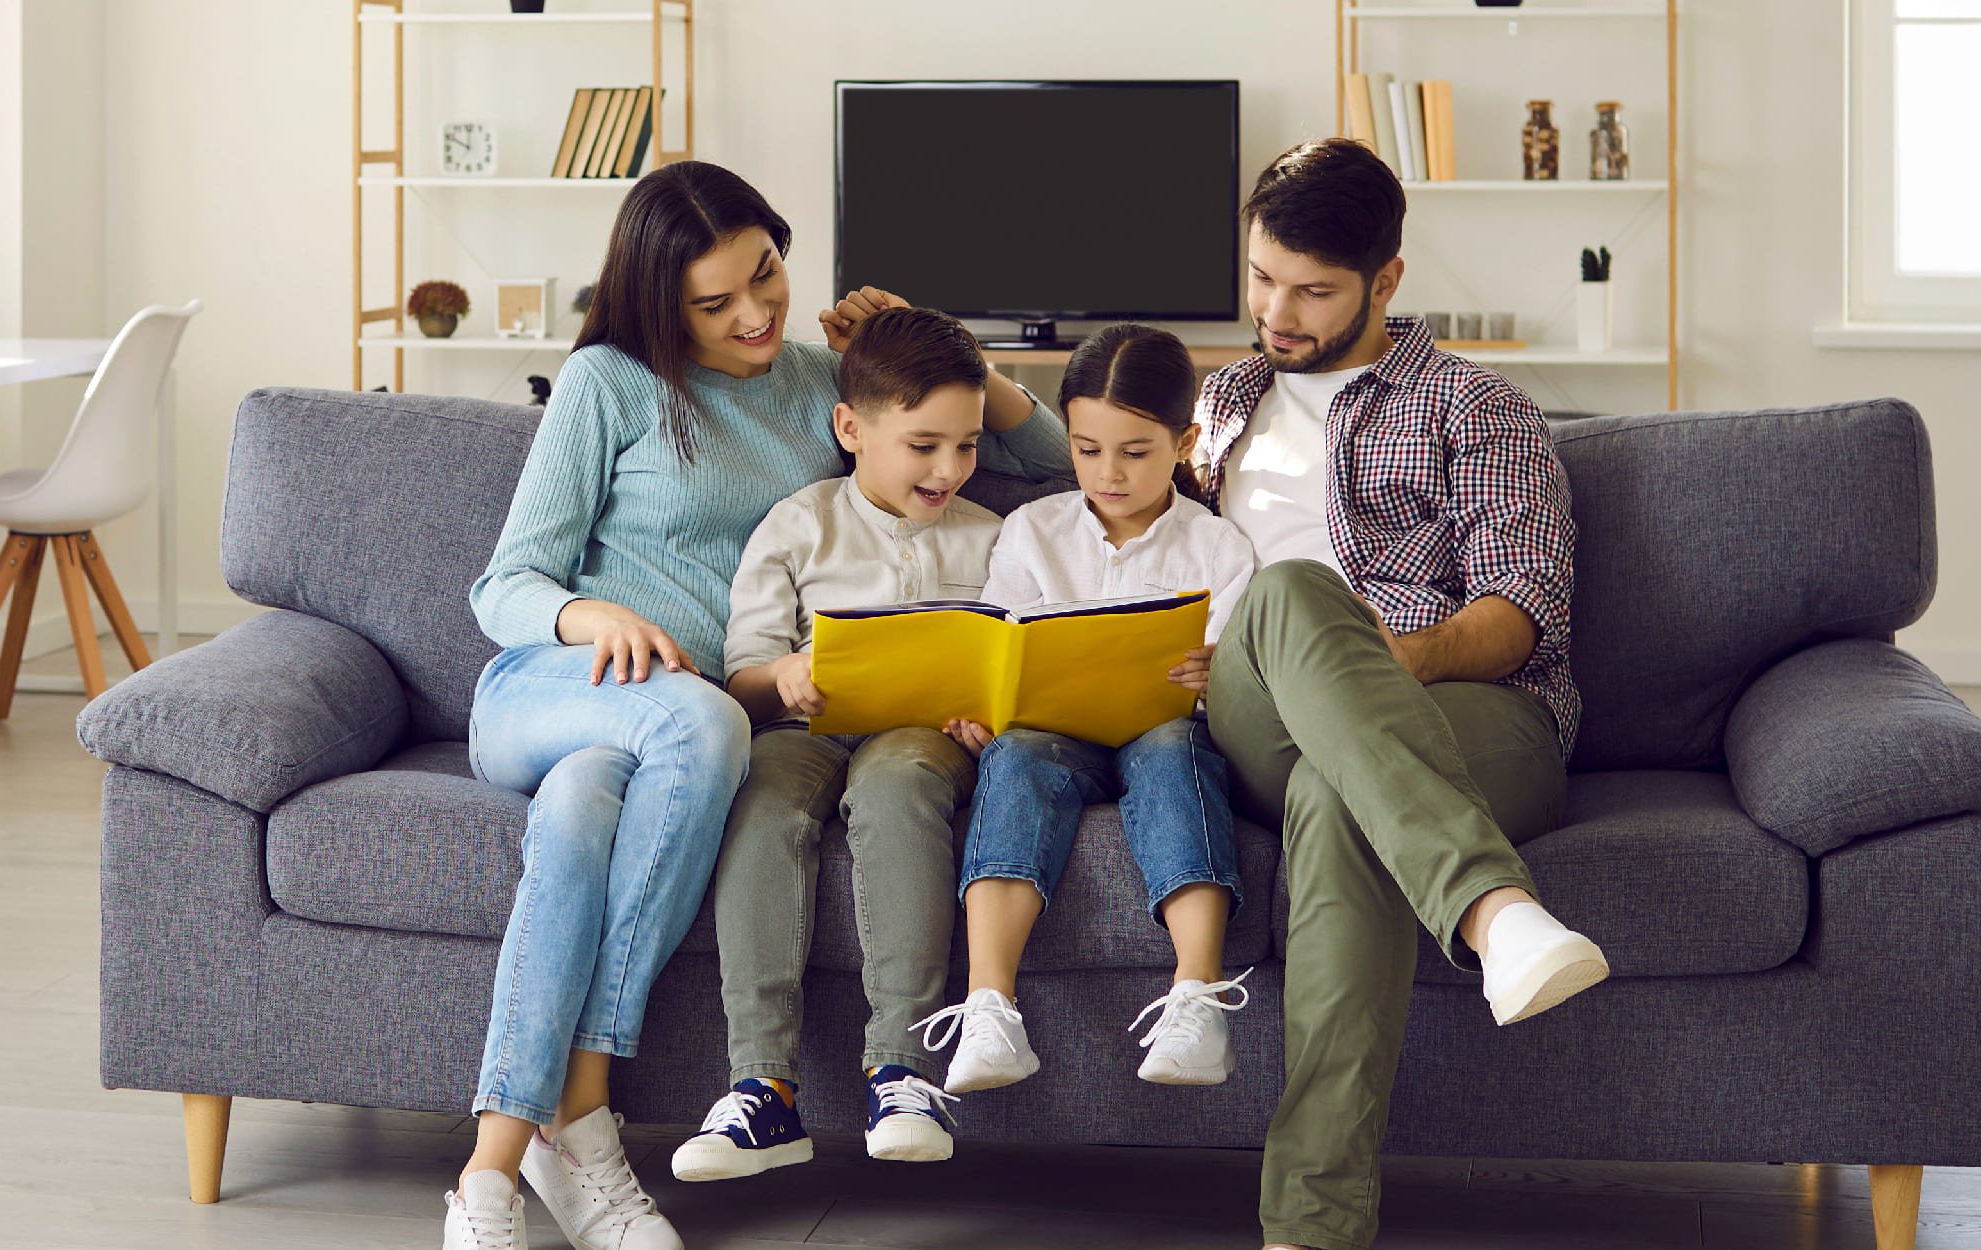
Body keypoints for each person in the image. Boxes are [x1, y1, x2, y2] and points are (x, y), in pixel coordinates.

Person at [822, 137, 1614, 1250]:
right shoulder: (1226, 400)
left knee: (1338, 792)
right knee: (1288, 596)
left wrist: (1392, 653)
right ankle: (1493, 908)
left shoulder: (1473, 409)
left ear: (1386, 280)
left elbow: (1524, 605)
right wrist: (945, 351)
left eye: (1312, 289)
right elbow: (1098, 454)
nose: (1276, 310)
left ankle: (1308, 1223)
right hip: (1260, 711)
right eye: (1260, 277)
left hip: (1466, 708)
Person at [448, 161, 1066, 1250]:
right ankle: (581, 1119)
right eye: (715, 301)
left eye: (767, 273)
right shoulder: (608, 382)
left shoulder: (820, 378)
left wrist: (941, 341)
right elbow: (504, 586)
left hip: (659, 743)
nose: (755, 312)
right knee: (705, 717)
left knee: (583, 820)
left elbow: (1044, 454)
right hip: (563, 688)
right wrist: (597, 620)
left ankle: (496, 1168)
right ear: (656, 302)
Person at [670, 307, 1010, 1184]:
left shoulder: (994, 537)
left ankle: (901, 1070)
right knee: (763, 804)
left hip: (921, 737)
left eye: (968, 447)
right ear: (851, 428)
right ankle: (764, 1085)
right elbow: (742, 675)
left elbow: (1016, 666)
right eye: (924, 444)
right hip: (804, 727)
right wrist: (785, 675)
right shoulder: (797, 525)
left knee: (897, 791)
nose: (948, 469)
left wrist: (989, 717)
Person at [914, 323, 1261, 1096]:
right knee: (1018, 755)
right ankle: (989, 1006)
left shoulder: (1219, 548)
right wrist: (983, 713)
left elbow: (1232, 680)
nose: (1108, 473)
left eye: (1135, 453)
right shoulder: (1032, 531)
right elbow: (997, 647)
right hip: (1051, 735)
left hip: (1163, 730)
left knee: (1175, 751)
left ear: (1184, 441)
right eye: (1086, 449)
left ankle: (1198, 996)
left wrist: (1217, 675)